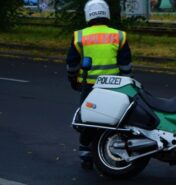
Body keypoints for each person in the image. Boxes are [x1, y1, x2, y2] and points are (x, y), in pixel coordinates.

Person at [66, 0, 132, 169]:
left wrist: (73, 79)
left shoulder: (79, 36)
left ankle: (86, 153)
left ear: (88, 14)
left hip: (89, 85)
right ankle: (114, 147)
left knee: (88, 119)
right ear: (106, 13)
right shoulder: (119, 35)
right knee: (115, 118)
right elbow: (125, 65)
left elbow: (72, 64)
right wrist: (126, 81)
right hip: (114, 85)